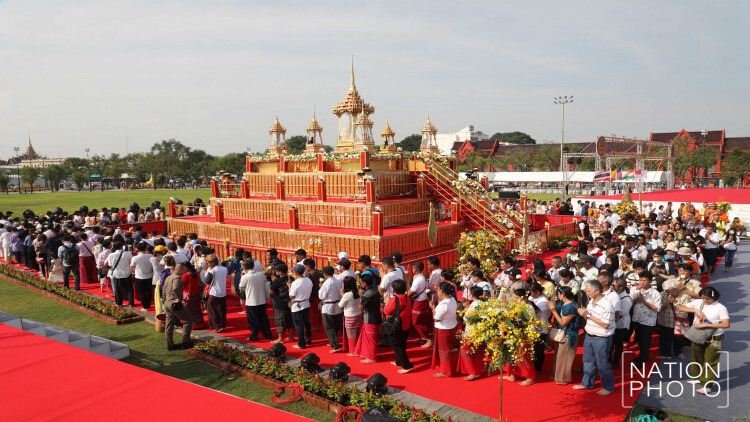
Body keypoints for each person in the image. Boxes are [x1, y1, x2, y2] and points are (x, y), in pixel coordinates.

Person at [673, 287, 730, 395]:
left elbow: (726, 324)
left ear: (714, 297)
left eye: (707, 299)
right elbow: (681, 308)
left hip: (714, 337)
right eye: (703, 297)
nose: (705, 300)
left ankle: (707, 386)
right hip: (698, 335)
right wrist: (696, 310)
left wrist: (707, 324)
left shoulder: (721, 308)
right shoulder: (699, 302)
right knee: (697, 356)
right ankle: (699, 377)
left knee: (710, 361)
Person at [574, 279, 615, 395]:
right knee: (587, 361)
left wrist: (588, 315)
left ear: (597, 291)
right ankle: (587, 383)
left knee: (602, 364)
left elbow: (606, 324)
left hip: (601, 338)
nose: (587, 294)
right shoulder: (592, 301)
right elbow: (590, 317)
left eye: (589, 291)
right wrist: (585, 314)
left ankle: (608, 387)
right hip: (589, 335)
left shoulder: (607, 305)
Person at [548, 286, 579, 386]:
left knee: (566, 357)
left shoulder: (571, 306)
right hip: (562, 333)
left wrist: (553, 311)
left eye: (558, 294)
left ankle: (564, 378)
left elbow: (563, 322)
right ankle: (557, 375)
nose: (558, 296)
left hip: (569, 334)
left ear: (563, 295)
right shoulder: (563, 303)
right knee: (559, 355)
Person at [630, 272, 661, 365]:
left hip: (648, 321)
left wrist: (643, 301)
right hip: (637, 319)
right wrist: (637, 299)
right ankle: (642, 356)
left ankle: (643, 358)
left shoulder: (655, 294)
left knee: (645, 340)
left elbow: (657, 308)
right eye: (640, 280)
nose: (642, 282)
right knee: (639, 339)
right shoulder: (635, 291)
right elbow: (631, 304)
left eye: (644, 280)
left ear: (650, 281)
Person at [384, 279, 414, 374]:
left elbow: (386, 311)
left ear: (394, 289)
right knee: (402, 344)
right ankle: (399, 361)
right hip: (405, 324)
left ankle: (407, 365)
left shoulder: (395, 299)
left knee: (396, 345)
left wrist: (387, 302)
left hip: (396, 325)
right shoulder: (407, 298)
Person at [430, 282, 459, 377]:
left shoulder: (443, 304)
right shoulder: (452, 299)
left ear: (441, 291)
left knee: (444, 351)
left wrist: (433, 309)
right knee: (449, 349)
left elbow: (436, 318)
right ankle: (447, 368)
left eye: (438, 290)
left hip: (444, 329)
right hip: (451, 327)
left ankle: (446, 371)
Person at [163, 263, 193, 351]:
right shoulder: (177, 278)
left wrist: (165, 300)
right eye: (184, 270)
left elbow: (164, 290)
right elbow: (175, 288)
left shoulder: (169, 277)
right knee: (188, 320)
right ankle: (185, 341)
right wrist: (179, 299)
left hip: (167, 302)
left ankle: (170, 345)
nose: (186, 271)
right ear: (180, 270)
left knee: (169, 324)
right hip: (174, 302)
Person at [656, 280, 689, 360]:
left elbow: (685, 309)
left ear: (677, 289)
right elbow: (660, 307)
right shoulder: (662, 294)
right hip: (665, 320)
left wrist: (674, 302)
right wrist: (668, 302)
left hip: (679, 321)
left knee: (678, 338)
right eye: (668, 292)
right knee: (664, 338)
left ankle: (678, 352)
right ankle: (665, 354)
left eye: (672, 292)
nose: (670, 294)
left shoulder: (684, 296)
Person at [459, 286, 487, 381]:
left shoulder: (474, 305)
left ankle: (474, 372)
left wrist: (466, 308)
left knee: (467, 351)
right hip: (478, 331)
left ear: (471, 294)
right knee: (477, 351)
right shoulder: (481, 303)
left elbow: (467, 319)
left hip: (472, 331)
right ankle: (477, 370)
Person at [240, 259, 272, 341]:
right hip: (261, 299)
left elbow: (241, 287)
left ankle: (254, 335)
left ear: (244, 267)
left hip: (251, 301)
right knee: (264, 319)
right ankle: (268, 334)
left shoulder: (245, 277)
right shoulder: (261, 274)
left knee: (252, 320)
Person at [354, 273, 382, 364]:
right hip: (377, 317)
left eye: (361, 282)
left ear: (365, 284)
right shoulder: (376, 291)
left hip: (370, 319)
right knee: (370, 338)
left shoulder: (366, 295)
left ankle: (372, 358)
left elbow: (361, 308)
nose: (360, 283)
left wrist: (361, 296)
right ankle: (364, 353)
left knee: (370, 340)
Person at [318, 265, 343, 352]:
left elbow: (321, 296)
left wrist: (321, 288)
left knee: (329, 326)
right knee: (335, 325)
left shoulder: (326, 283)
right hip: (337, 304)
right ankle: (333, 341)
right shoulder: (338, 281)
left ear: (325, 274)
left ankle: (335, 345)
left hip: (328, 306)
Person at [409, 261, 433, 347]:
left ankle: (428, 339)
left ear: (416, 269)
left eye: (412, 268)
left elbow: (410, 293)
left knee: (416, 321)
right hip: (422, 300)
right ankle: (423, 338)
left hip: (420, 302)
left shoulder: (418, 280)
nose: (412, 270)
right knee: (421, 320)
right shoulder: (420, 277)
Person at [269, 263, 294, 344]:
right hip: (290, 302)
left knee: (280, 320)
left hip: (280, 303)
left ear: (280, 272)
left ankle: (281, 338)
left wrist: (274, 296)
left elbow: (270, 292)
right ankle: (290, 337)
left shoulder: (277, 281)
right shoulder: (291, 279)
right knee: (290, 320)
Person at [528, 282, 551, 374]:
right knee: (532, 349)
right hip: (532, 326)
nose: (530, 294)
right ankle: (533, 365)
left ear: (537, 292)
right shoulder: (532, 298)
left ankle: (538, 367)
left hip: (541, 327)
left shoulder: (544, 301)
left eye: (531, 292)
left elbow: (534, 312)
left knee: (538, 349)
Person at [289, 264, 313, 349]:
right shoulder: (308, 280)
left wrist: (289, 287)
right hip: (306, 303)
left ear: (295, 272)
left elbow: (292, 296)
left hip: (297, 305)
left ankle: (301, 343)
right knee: (306, 323)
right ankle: (308, 340)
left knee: (299, 325)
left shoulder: (296, 283)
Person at [338, 275, 362, 356]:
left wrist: (342, 296)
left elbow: (340, 305)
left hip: (350, 316)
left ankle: (353, 351)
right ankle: (358, 349)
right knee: (357, 333)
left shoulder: (347, 294)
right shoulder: (359, 291)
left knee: (351, 334)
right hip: (358, 314)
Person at [203, 254, 228, 333]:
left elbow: (207, 281)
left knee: (212, 310)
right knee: (221, 309)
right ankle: (222, 324)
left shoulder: (212, 270)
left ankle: (217, 326)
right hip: (223, 291)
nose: (207, 265)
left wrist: (206, 271)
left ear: (213, 262)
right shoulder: (224, 269)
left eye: (208, 263)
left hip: (214, 292)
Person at [611, 279, 632, 369]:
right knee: (611, 343)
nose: (612, 286)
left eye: (614, 285)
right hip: (614, 323)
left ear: (621, 287)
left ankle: (616, 361)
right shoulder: (614, 295)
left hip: (621, 324)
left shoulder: (626, 298)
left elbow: (623, 312)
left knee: (618, 343)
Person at [106, 241, 133, 305]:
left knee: (118, 290)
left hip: (117, 274)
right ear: (121, 247)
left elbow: (110, 265)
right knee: (129, 289)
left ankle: (119, 303)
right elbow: (131, 263)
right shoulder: (128, 253)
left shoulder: (111, 255)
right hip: (127, 273)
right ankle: (131, 303)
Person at [130, 242, 154, 310]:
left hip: (139, 277)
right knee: (148, 291)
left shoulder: (135, 258)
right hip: (149, 276)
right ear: (146, 248)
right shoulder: (150, 256)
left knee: (141, 292)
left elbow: (132, 266)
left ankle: (145, 306)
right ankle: (148, 305)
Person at [182, 261, 204, 327]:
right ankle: (199, 324)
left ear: (186, 268)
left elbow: (181, 284)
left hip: (187, 295)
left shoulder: (185, 276)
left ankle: (191, 325)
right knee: (196, 309)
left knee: (188, 310)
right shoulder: (197, 273)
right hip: (196, 294)